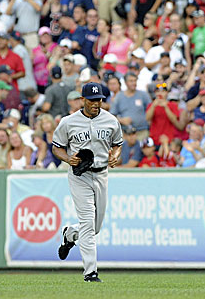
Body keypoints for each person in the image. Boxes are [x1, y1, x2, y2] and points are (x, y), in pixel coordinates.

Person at [53, 82, 123, 283]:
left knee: (95, 227)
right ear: (82, 100)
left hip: (101, 173)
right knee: (87, 222)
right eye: (92, 100)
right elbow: (57, 146)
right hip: (79, 175)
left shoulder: (110, 120)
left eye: (99, 99)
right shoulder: (68, 122)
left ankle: (70, 234)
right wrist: (68, 159)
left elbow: (118, 143)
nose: (96, 103)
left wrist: (115, 155)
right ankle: (90, 272)